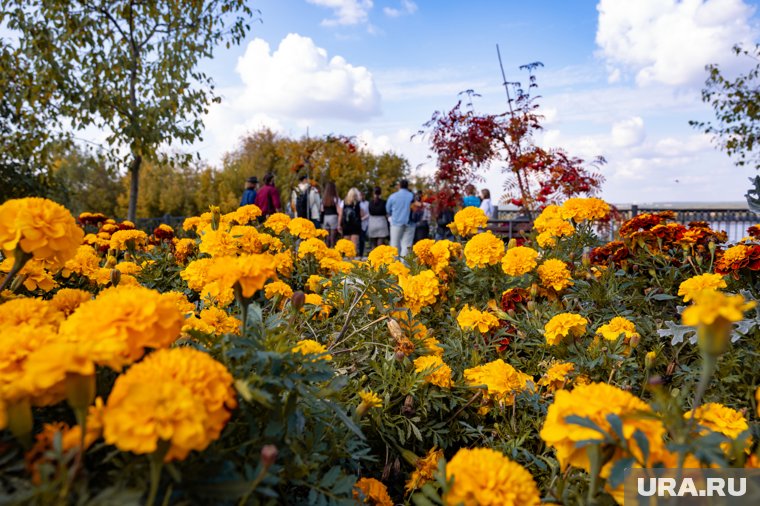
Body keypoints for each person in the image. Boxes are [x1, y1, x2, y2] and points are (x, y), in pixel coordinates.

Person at [386, 179, 415, 257]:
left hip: (396, 223)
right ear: (407, 186)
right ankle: (405, 265)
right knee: (407, 245)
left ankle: (394, 265)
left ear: (399, 186)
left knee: (394, 245)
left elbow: (387, 209)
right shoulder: (412, 195)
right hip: (410, 222)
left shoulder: (393, 196)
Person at [338, 187, 364, 254]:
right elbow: (362, 214)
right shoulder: (359, 203)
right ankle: (352, 258)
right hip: (356, 225)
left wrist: (339, 224)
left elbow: (340, 214)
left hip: (346, 224)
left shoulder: (343, 202)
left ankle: (346, 258)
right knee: (354, 244)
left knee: (346, 244)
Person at [322, 181, 340, 247]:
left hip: (326, 217)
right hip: (333, 216)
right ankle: (332, 249)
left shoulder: (324, 199)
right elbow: (338, 210)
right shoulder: (335, 198)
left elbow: (322, 209)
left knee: (327, 237)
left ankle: (326, 249)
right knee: (333, 237)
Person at [359, 191, 370, 257]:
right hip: (360, 224)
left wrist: (364, 217)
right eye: (360, 195)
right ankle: (360, 253)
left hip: (367, 222)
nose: (362, 197)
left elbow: (369, 213)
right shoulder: (358, 203)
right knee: (361, 239)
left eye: (363, 195)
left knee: (367, 239)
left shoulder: (367, 203)